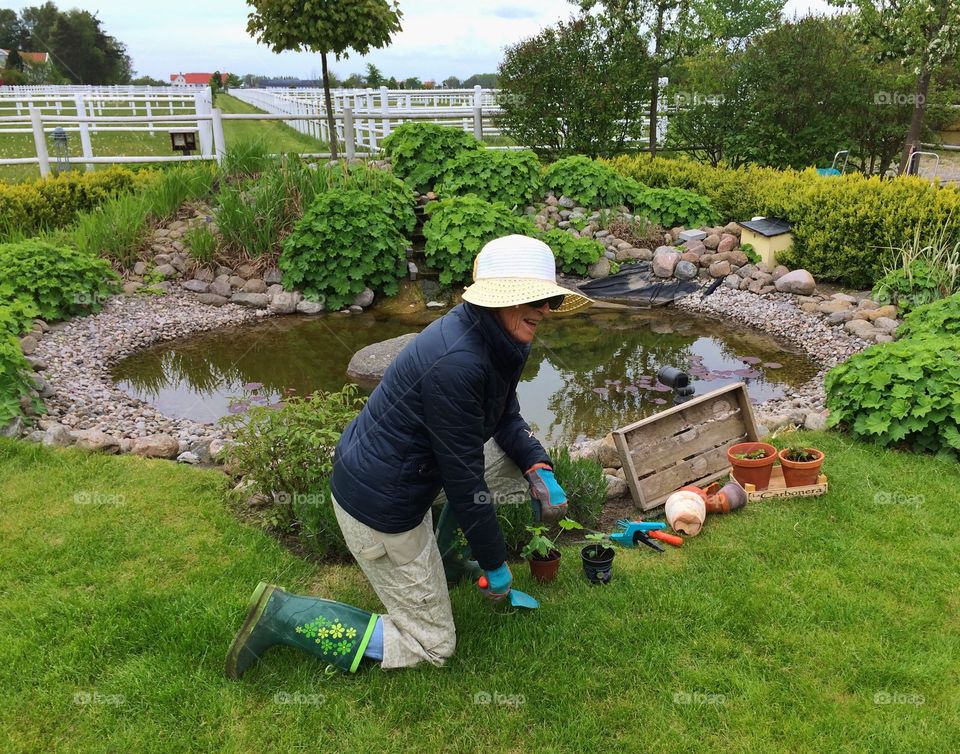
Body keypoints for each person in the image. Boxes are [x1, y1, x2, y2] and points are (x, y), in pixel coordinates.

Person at [225, 235, 593, 679]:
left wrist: (537, 464)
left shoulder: (502, 337)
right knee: (433, 645)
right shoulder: (458, 362)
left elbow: (503, 415)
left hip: (414, 469)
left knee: (515, 466)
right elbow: (464, 481)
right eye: (533, 298)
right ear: (500, 297)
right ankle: (284, 615)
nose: (545, 309)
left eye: (551, 299)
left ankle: (447, 560)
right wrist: (496, 565)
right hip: (383, 505)